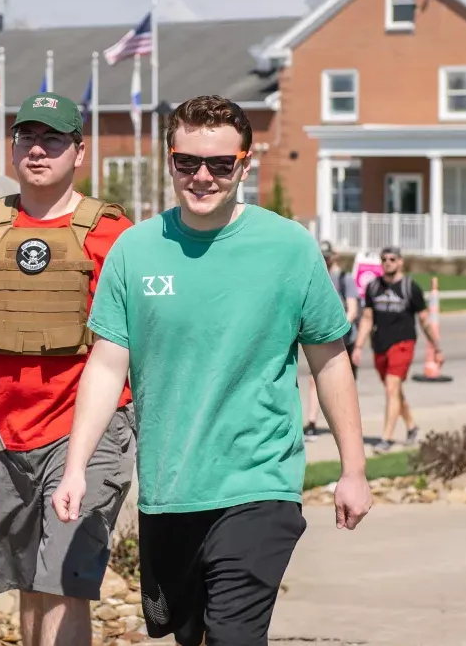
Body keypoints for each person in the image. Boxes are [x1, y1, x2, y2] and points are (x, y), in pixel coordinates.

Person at [51, 95, 372, 646]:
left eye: (220, 165)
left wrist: (354, 468)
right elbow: (106, 365)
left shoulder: (288, 248)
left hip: (258, 482)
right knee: (189, 634)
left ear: (244, 165)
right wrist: (76, 465)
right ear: (170, 161)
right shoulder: (136, 250)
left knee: (234, 635)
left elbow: (329, 359)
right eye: (187, 163)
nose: (202, 177)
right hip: (170, 490)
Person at [0, 92, 135, 646]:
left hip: (88, 428)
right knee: (30, 586)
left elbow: (142, 332)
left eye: (53, 139)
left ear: (79, 152)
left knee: (65, 578)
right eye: (27, 138)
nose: (38, 150)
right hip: (5, 429)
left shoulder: (115, 234)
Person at [352, 246, 442, 452]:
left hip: (403, 344)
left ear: (401, 262)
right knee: (394, 391)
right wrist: (358, 346)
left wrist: (437, 347)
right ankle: (411, 426)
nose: (387, 262)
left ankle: (386, 438)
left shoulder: (411, 288)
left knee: (392, 388)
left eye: (392, 259)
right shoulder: (373, 287)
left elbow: (424, 321)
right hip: (379, 346)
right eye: (384, 259)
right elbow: (367, 319)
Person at [304, 240, 361, 440]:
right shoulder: (316, 276)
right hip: (322, 340)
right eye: (322, 256)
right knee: (314, 380)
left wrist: (337, 327)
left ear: (334, 257)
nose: (325, 260)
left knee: (345, 386)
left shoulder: (344, 278)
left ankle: (347, 429)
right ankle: (311, 423)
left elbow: (353, 309)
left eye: (327, 256)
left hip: (345, 339)